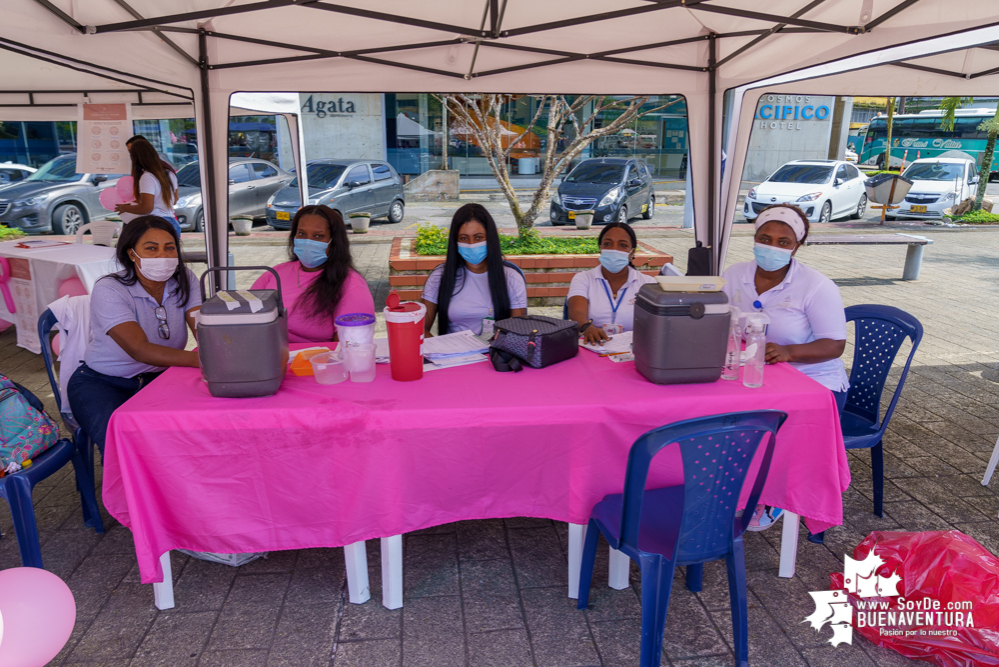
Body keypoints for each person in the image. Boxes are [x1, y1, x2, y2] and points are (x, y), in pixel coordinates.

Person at [721, 203, 848, 533]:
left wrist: (789, 352)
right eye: (765, 238)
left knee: (775, 427)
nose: (772, 247)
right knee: (717, 415)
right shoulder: (734, 275)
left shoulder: (816, 286)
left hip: (815, 385)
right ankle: (735, 488)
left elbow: (835, 345)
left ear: (797, 246)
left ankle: (777, 497)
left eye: (783, 241)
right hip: (757, 377)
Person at [67, 216, 201, 456]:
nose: (162, 256)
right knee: (125, 450)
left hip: (160, 379)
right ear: (131, 254)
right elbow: (139, 348)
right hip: (104, 383)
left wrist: (221, 350)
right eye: (151, 248)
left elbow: (201, 327)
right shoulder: (109, 288)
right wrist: (202, 360)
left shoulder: (185, 279)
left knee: (189, 435)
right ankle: (130, 493)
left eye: (169, 248)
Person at [250, 205, 374, 343]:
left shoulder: (351, 285)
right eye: (302, 234)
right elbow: (246, 314)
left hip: (315, 362)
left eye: (318, 236)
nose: (308, 242)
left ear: (334, 243)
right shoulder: (275, 273)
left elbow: (350, 348)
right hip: (263, 356)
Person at [421, 203, 527, 336]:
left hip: (494, 355)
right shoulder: (440, 277)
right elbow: (420, 329)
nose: (471, 245)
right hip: (452, 354)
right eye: (464, 238)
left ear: (490, 239)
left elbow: (517, 332)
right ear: (455, 241)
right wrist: (441, 351)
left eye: (478, 238)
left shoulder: (511, 278)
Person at [567, 222, 657, 345]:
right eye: (607, 244)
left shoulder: (647, 284)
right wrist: (587, 327)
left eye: (622, 245)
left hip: (633, 350)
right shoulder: (583, 278)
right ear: (600, 248)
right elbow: (576, 312)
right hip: (593, 345)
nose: (614, 249)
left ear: (631, 253)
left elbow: (654, 324)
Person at [115, 137, 181, 235]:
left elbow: (147, 208)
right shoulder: (169, 173)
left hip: (155, 225)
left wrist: (124, 208)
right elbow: (174, 199)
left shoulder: (147, 177)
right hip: (172, 223)